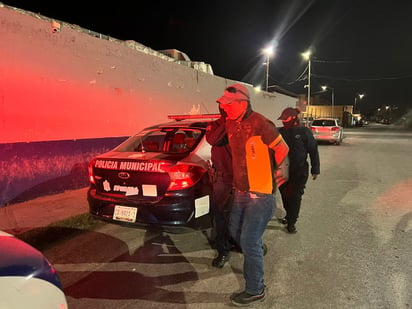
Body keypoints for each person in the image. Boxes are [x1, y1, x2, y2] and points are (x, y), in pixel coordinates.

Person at [216, 83, 289, 306]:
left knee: (247, 240)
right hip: (241, 190)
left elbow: (282, 148)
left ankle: (256, 289)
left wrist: (279, 170)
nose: (224, 107)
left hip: (261, 193)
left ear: (242, 103)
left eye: (228, 104)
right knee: (235, 231)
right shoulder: (229, 122)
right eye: (223, 104)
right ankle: (255, 245)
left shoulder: (260, 123)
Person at [277, 107, 320, 234]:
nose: (284, 122)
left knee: (295, 196)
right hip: (282, 170)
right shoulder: (280, 132)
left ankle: (292, 222)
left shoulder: (304, 132)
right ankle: (289, 215)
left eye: (286, 119)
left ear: (294, 118)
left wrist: (315, 169)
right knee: (284, 194)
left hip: (299, 170)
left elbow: (313, 150)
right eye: (282, 119)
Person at [205, 107, 234, 268]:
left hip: (242, 178)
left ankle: (240, 243)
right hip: (222, 180)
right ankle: (223, 251)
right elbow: (213, 140)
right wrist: (227, 123)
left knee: (242, 215)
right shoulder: (214, 125)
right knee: (221, 218)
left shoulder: (241, 125)